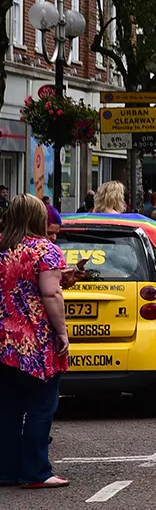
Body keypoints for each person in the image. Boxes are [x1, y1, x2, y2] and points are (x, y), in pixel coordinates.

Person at [0, 194, 70, 488]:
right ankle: (36, 471)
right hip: (35, 340)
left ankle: (6, 470)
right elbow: (50, 294)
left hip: (3, 340)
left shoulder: (2, 248)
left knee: (7, 409)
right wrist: (62, 331)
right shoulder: (46, 250)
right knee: (41, 407)